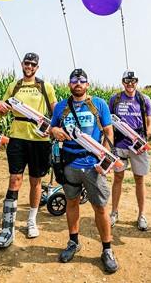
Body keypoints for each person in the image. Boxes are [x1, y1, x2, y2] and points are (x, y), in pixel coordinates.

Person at [50, 68, 119, 273]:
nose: (78, 84)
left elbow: (108, 131)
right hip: (69, 163)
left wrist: (105, 157)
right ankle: (73, 242)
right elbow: (52, 128)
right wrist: (55, 131)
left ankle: (107, 249)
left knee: (100, 207)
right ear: (69, 84)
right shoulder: (61, 107)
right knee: (72, 202)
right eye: (74, 80)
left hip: (93, 165)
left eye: (82, 81)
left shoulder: (98, 104)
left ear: (87, 84)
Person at [0, 52, 57, 248]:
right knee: (15, 179)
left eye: (33, 64)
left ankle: (31, 221)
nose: (29, 66)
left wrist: (53, 130)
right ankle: (8, 226)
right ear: (22, 64)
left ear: (37, 67)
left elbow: (55, 112)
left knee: (36, 181)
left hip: (39, 139)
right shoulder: (14, 86)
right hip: (17, 138)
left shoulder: (45, 86)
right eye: (26, 63)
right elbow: (3, 109)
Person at [107, 70, 151, 231]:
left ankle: (141, 215)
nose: (130, 84)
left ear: (137, 81)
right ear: (122, 82)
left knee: (139, 179)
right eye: (127, 81)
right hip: (120, 145)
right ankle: (114, 213)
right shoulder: (115, 99)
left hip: (138, 145)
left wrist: (145, 136)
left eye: (133, 81)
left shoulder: (144, 99)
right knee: (118, 178)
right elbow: (108, 121)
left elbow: (150, 120)